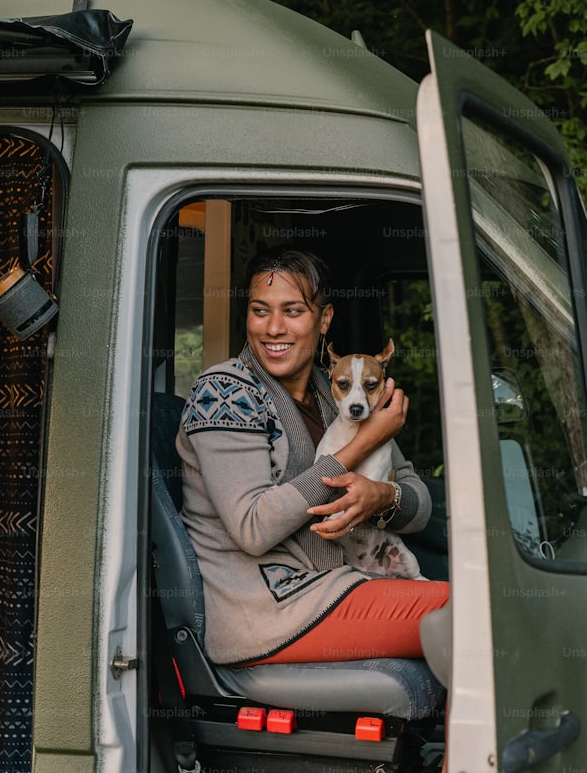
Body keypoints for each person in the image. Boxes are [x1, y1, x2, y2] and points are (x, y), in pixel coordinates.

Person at [176, 248, 448, 667]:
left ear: (324, 320)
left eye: (293, 310)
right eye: (259, 310)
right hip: (269, 612)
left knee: (481, 602)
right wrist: (359, 446)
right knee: (476, 617)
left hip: (342, 581)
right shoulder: (224, 393)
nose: (273, 327)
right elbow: (253, 527)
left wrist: (381, 498)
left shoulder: (338, 390)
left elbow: (419, 507)